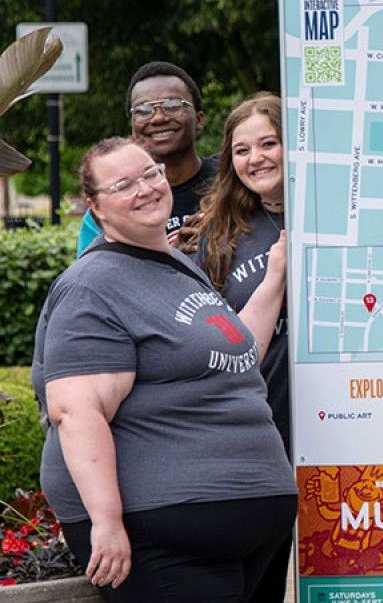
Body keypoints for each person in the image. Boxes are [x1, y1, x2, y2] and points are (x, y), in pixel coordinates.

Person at [32, 137, 296, 601]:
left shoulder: (177, 265)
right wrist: (107, 521)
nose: (147, 188)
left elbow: (239, 356)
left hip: (246, 523)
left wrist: (276, 275)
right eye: (124, 185)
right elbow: (77, 411)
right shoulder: (90, 287)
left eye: (151, 174)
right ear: (96, 208)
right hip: (161, 533)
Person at [175, 93, 291, 603]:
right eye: (242, 150)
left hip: (341, 420)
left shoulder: (339, 217)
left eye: (269, 143)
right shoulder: (218, 233)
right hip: (259, 424)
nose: (256, 159)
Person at [77, 61, 217, 254]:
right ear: (132, 126)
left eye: (173, 105)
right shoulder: (110, 208)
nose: (158, 118)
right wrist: (171, 256)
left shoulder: (229, 180)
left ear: (200, 119)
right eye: (143, 110)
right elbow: (94, 274)